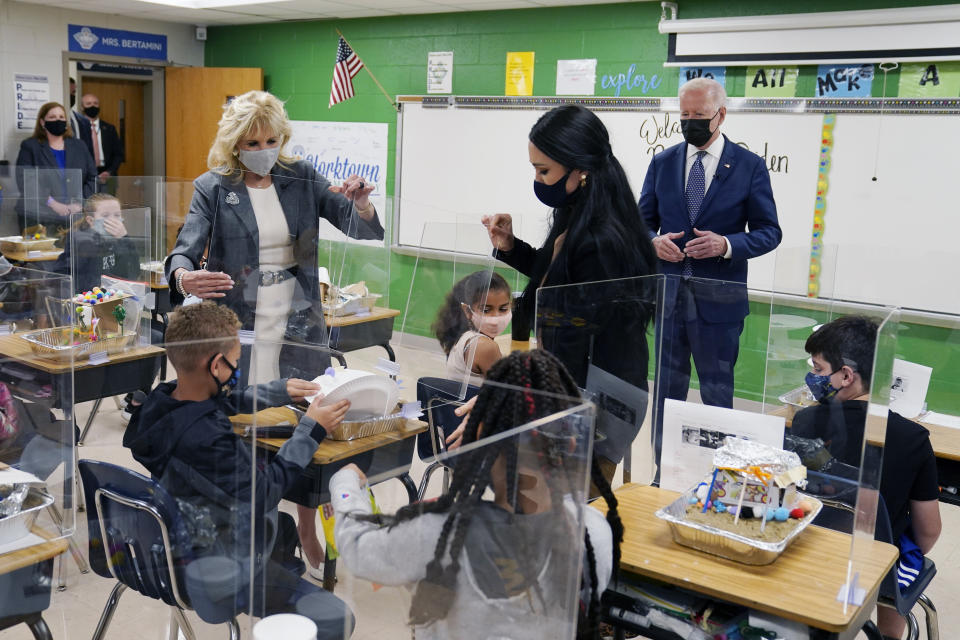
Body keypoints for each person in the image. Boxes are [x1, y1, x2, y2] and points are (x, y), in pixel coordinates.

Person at [165, 89, 385, 579]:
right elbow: (185, 247)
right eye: (252, 141)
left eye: (271, 139)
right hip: (241, 321)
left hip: (299, 317)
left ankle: (307, 517)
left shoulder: (300, 177)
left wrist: (362, 206)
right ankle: (254, 519)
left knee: (301, 414)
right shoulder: (212, 187)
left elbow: (359, 226)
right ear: (234, 144)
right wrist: (182, 277)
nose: (263, 148)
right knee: (244, 416)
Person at [330, 350, 622, 640]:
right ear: (570, 445)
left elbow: (357, 547)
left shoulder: (437, 532)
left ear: (482, 442)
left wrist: (344, 483)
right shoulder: (593, 532)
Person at [123, 301, 355, 635]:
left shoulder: (164, 402)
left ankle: (280, 602)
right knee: (338, 618)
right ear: (216, 366)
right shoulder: (209, 441)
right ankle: (277, 604)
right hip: (218, 569)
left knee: (285, 528)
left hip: (174, 544)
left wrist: (279, 390)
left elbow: (221, 402)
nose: (237, 369)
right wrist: (312, 430)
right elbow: (266, 491)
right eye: (234, 363)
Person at [481, 105, 657, 474]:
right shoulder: (579, 209)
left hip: (603, 392)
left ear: (580, 169)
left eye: (543, 170)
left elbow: (574, 326)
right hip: (580, 381)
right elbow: (558, 276)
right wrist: (510, 246)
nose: (538, 179)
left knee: (564, 510)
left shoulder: (602, 236)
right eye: (534, 169)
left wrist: (531, 396)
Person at [639, 77, 782, 419]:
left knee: (717, 398)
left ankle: (716, 467)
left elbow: (769, 232)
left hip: (720, 305)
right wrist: (652, 242)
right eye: (684, 115)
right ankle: (663, 470)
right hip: (669, 300)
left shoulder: (749, 167)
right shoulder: (663, 163)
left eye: (699, 114)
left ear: (721, 115)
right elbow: (639, 224)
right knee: (666, 398)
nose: (690, 122)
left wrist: (726, 244)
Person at [791, 316, 941, 640]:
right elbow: (929, 531)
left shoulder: (803, 422)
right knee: (898, 549)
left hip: (809, 556)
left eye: (817, 370)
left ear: (846, 376)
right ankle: (889, 634)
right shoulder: (913, 438)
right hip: (877, 568)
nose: (812, 378)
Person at [15, 102, 96, 232]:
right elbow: (26, 181)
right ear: (42, 122)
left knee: (71, 251)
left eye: (61, 117)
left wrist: (80, 204)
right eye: (52, 117)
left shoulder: (79, 146)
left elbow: (92, 177)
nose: (58, 120)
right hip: (39, 215)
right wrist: (53, 204)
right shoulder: (30, 146)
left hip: (74, 215)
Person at [433, 271, 511, 385]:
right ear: (467, 310)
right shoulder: (485, 346)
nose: (496, 318)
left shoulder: (463, 333)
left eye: (503, 309)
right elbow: (511, 391)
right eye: (486, 310)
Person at [54, 193, 139, 293]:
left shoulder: (116, 241)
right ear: (90, 220)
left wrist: (124, 238)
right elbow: (79, 282)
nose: (113, 220)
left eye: (117, 215)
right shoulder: (83, 243)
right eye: (105, 215)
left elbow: (133, 272)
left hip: (111, 297)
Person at [77, 93, 124, 192]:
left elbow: (119, 154)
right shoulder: (78, 129)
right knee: (89, 206)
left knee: (109, 206)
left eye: (95, 103)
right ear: (82, 107)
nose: (92, 106)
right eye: (88, 103)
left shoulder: (110, 128)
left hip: (108, 175)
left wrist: (109, 171)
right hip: (86, 177)